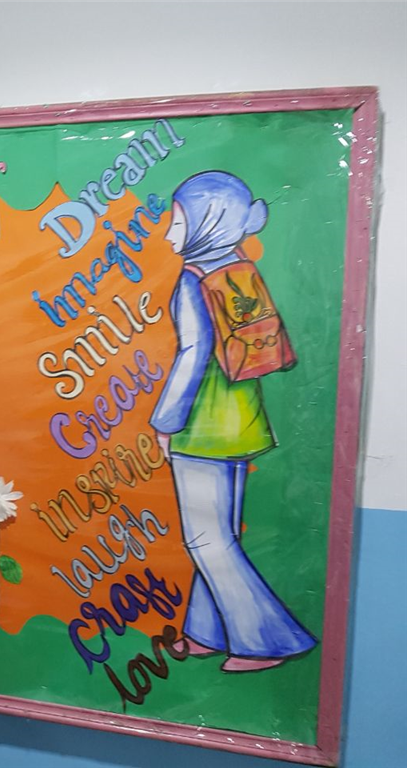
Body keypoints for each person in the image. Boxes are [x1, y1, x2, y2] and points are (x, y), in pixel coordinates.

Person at [150, 171, 316, 672]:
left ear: (206, 223)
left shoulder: (192, 280)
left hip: (202, 429)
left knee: (207, 540)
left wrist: (165, 420)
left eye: (178, 222)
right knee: (220, 535)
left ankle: (267, 642)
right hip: (243, 422)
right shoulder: (239, 268)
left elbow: (193, 354)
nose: (169, 233)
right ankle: (207, 632)